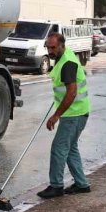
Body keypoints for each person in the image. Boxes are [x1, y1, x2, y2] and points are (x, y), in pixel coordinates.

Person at [37, 32, 91, 199]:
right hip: (76, 112)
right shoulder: (63, 58)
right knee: (70, 148)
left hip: (74, 114)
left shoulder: (67, 62)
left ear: (62, 45)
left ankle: (56, 186)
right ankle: (82, 184)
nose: (50, 51)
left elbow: (72, 93)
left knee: (59, 148)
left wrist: (56, 115)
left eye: (53, 47)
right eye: (48, 47)